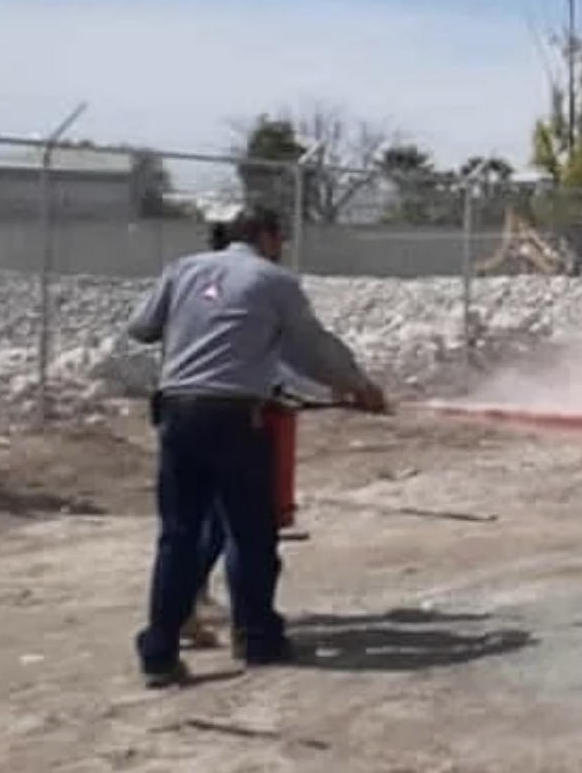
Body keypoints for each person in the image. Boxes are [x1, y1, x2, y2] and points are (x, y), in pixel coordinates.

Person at [125, 206, 387, 688]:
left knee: (178, 535)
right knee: (250, 531)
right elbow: (311, 348)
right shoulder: (274, 280)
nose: (281, 246)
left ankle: (159, 652)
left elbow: (141, 328)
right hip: (235, 419)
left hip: (177, 413)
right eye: (280, 238)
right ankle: (258, 638)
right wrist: (358, 386)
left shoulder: (182, 269)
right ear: (266, 237)